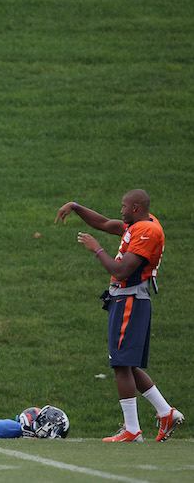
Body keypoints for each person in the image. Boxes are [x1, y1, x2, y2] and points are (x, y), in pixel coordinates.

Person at [56, 189, 184, 442]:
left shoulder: (147, 231)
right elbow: (103, 223)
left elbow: (122, 271)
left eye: (124, 206)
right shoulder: (140, 223)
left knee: (120, 363)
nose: (121, 210)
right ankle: (165, 411)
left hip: (130, 299)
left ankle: (132, 429)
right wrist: (76, 206)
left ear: (136, 207)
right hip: (127, 298)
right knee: (126, 362)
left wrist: (97, 249)